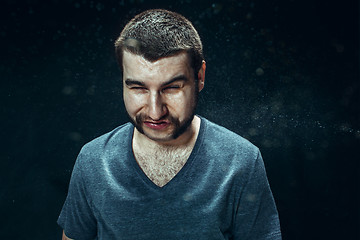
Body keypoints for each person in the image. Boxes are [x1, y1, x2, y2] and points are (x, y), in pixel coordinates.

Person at [58, 9, 282, 240]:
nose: (155, 111)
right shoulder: (93, 160)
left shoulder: (241, 161)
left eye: (172, 88)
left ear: (200, 77)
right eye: (138, 88)